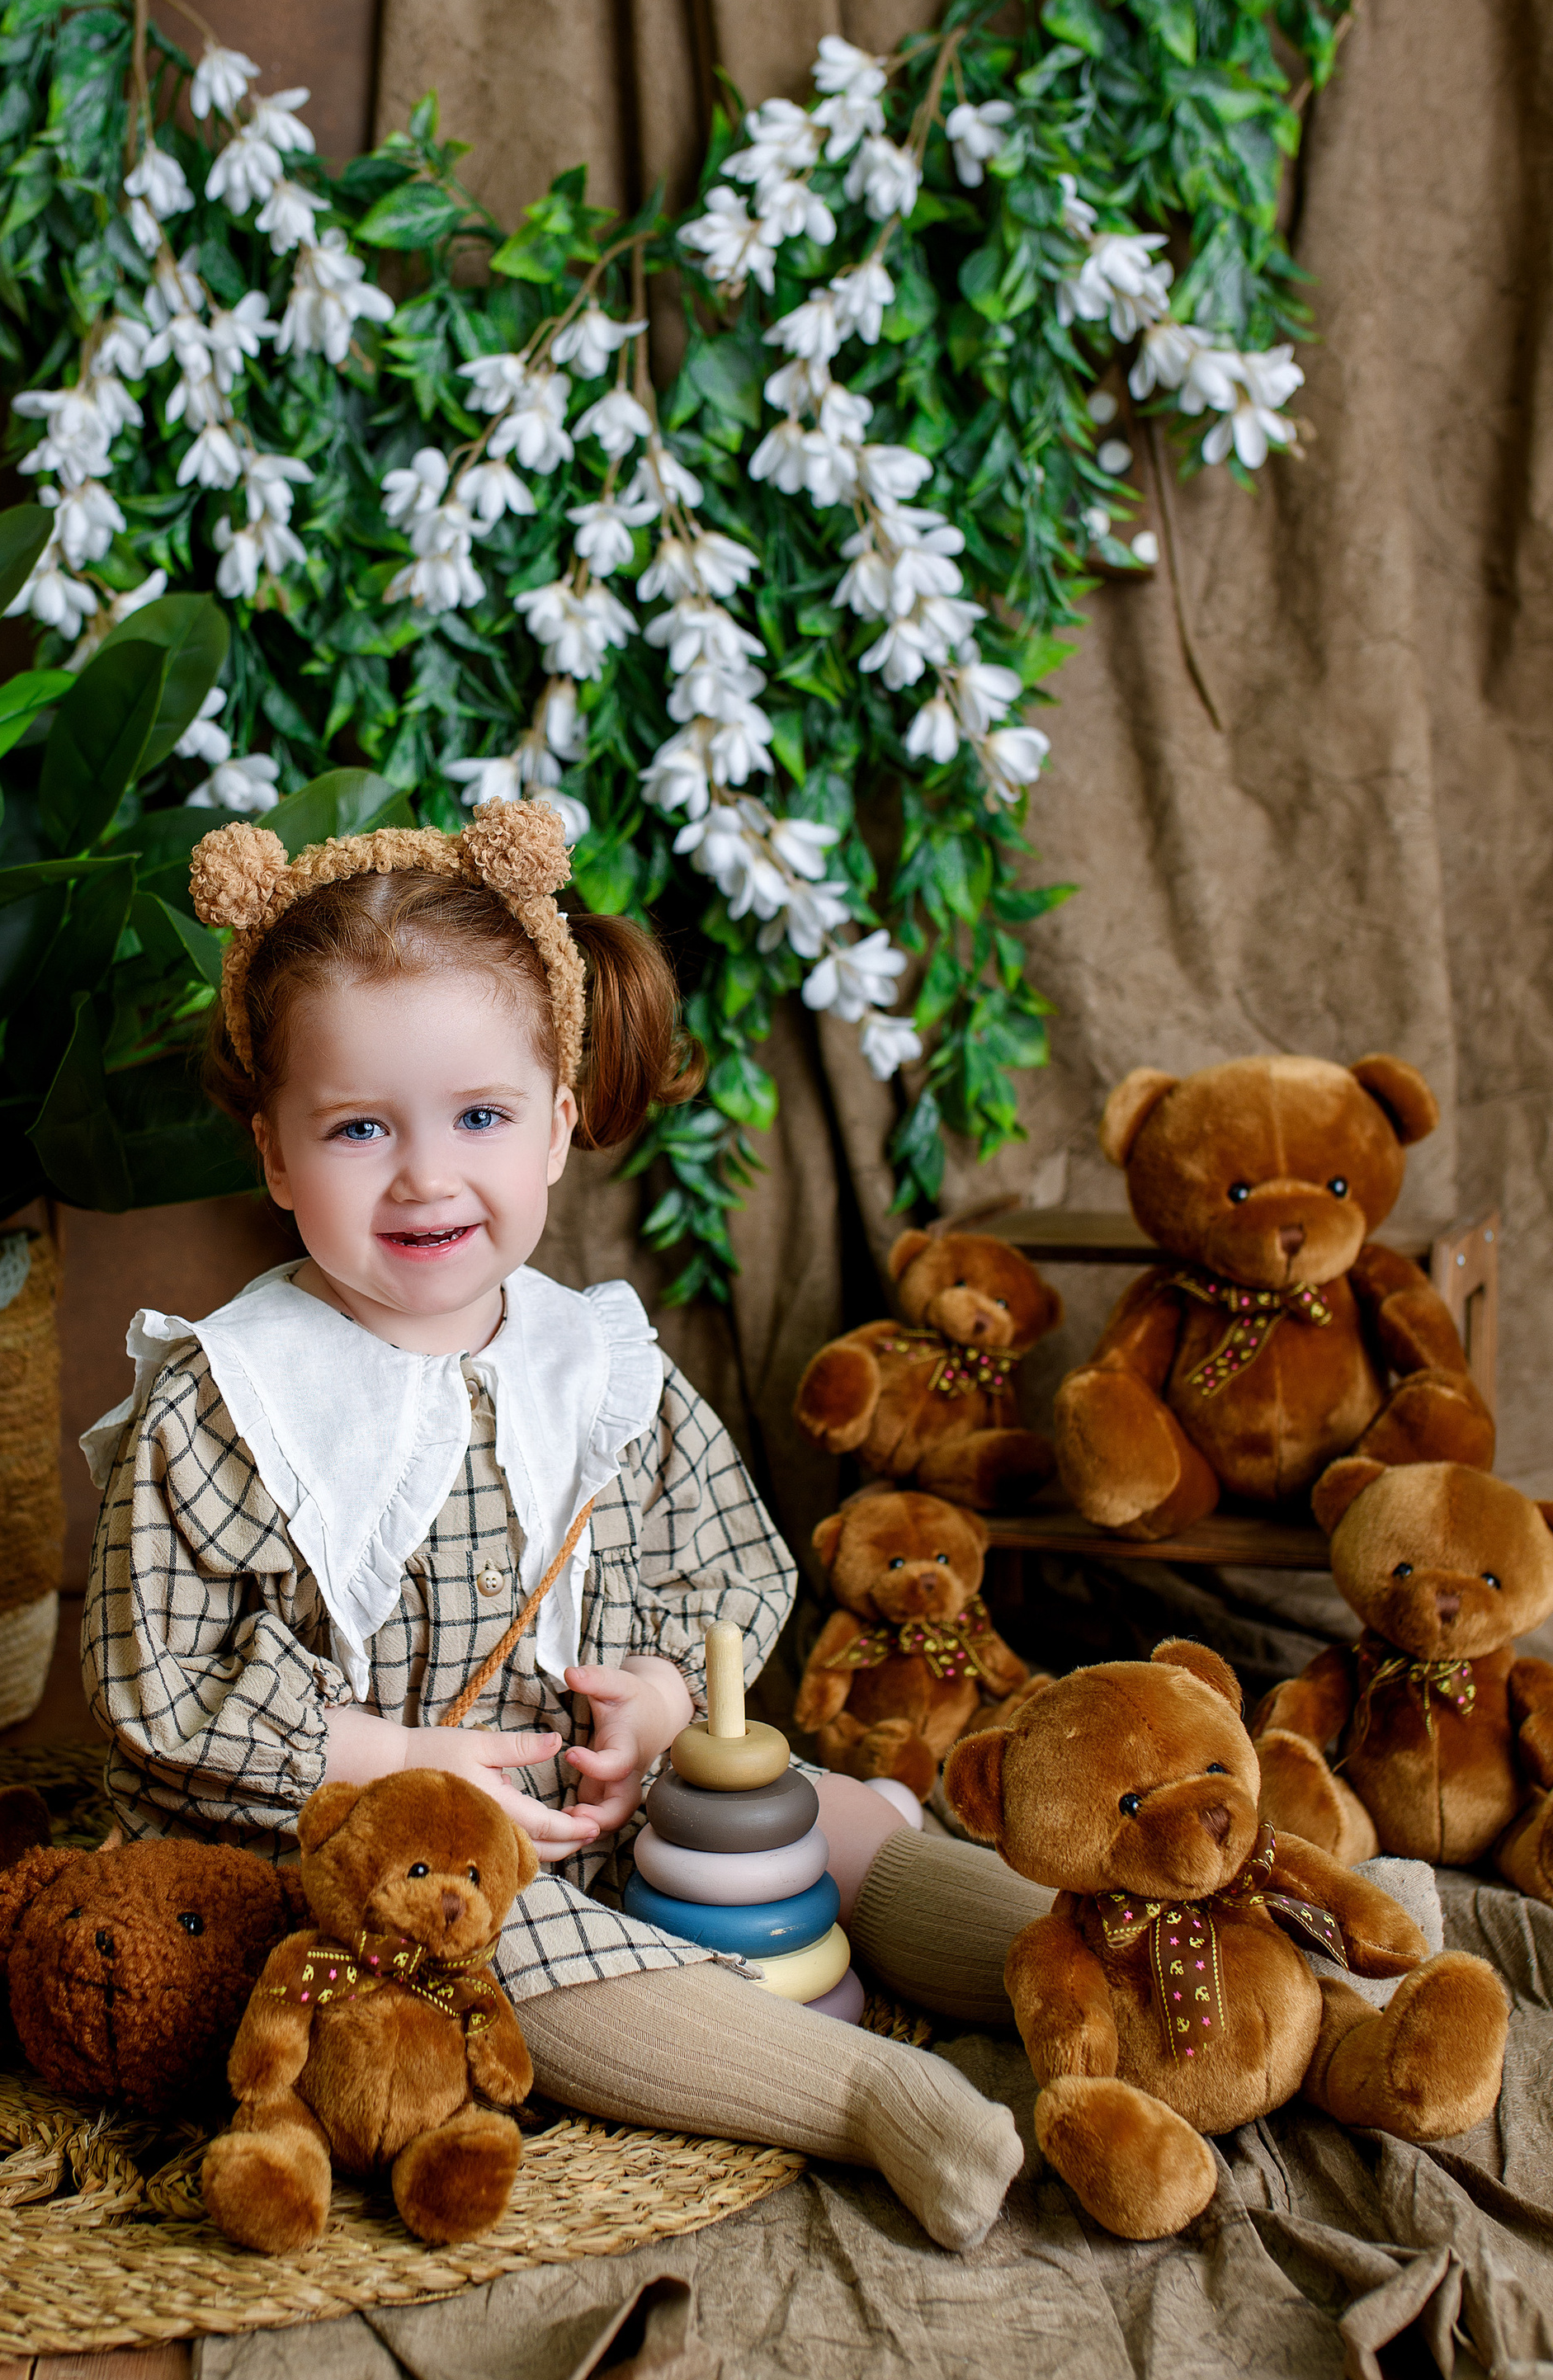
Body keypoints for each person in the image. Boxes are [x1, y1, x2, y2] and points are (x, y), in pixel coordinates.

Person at [80, 799, 1041, 2250]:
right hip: (338, 1847)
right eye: (358, 1128)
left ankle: (1069, 1958)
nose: (425, 1174)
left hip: (587, 1792)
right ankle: (867, 2097)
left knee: (805, 1812)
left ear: (558, 1126)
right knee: (499, 1928)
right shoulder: (235, 1400)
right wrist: (398, 1758)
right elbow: (161, 1676)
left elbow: (713, 1561)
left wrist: (662, 1699)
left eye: (480, 1117)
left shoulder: (592, 1366)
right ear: (275, 1155)